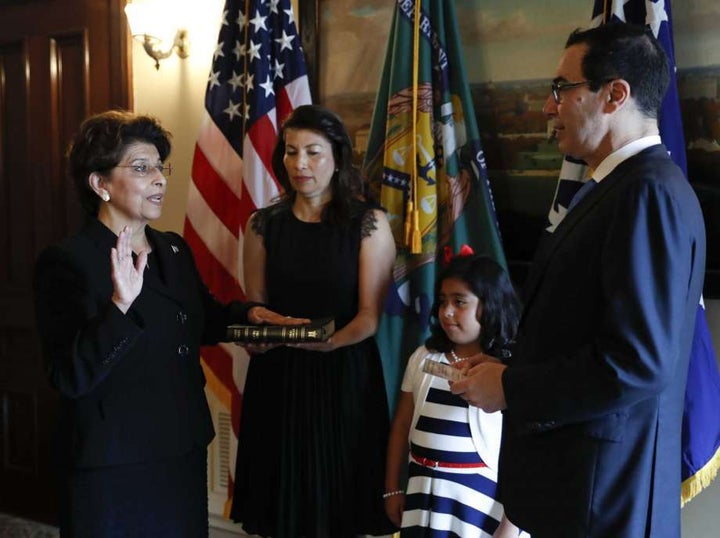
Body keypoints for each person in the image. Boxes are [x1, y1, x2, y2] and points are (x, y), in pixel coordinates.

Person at [450, 23, 706, 537]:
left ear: (615, 95)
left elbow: (636, 362)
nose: (548, 108)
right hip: (581, 494)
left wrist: (512, 386)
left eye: (562, 90)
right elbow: (587, 329)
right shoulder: (617, 188)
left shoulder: (646, 194)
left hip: (603, 503)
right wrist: (509, 366)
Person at [33, 110, 303, 537]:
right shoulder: (68, 262)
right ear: (99, 183)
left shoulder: (172, 250)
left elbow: (200, 318)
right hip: (112, 461)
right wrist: (120, 305)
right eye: (142, 168)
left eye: (160, 166)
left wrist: (248, 317)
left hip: (179, 447)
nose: (159, 179)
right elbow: (71, 375)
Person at [230, 104, 397, 537]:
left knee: (339, 508)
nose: (299, 164)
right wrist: (258, 336)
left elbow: (368, 318)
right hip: (279, 378)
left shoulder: (369, 223)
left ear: (337, 157)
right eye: (290, 152)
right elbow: (257, 306)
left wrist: (331, 342)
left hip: (343, 376)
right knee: (281, 510)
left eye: (312, 152)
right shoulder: (262, 224)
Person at [384, 252, 526, 538]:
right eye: (443, 301)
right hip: (422, 491)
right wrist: (392, 488)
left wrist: (510, 527)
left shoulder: (510, 372)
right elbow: (401, 426)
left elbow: (525, 456)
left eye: (459, 302)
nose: (446, 311)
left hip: (478, 498)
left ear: (490, 306)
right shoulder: (423, 357)